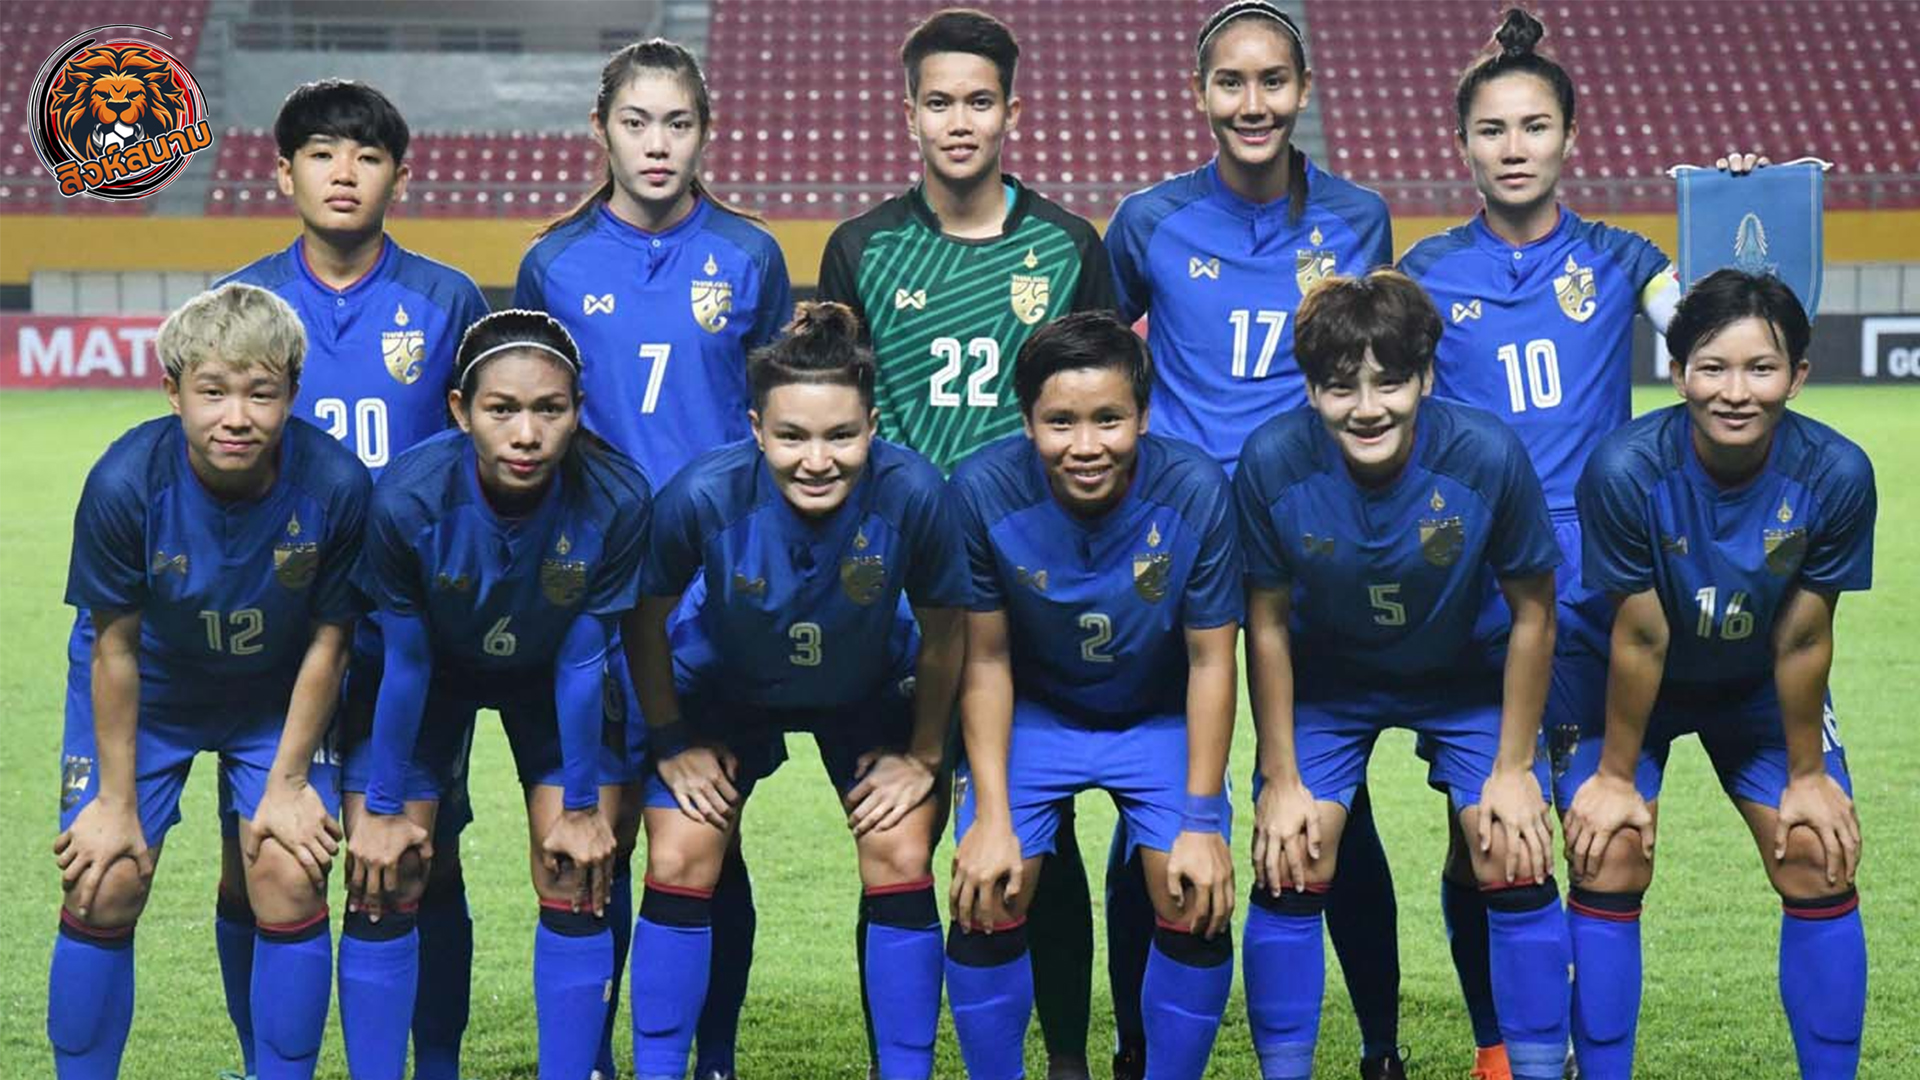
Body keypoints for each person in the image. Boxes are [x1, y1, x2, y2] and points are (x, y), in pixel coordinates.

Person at [1398, 11, 1766, 1076]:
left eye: (1534, 126)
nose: (1513, 147)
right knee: (1486, 837)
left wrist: (1746, 225)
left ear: (1570, 137)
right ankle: (1500, 1045)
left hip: (1607, 575)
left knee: (1602, 835)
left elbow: (1715, 329)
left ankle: (1581, 1049)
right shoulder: (1425, 271)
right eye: (1492, 129)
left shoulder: (1623, 258)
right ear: (1462, 145)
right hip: (1483, 579)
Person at [818, 13, 1119, 1074]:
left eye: (979, 101)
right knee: (892, 842)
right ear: (909, 113)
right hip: (896, 596)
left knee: (1038, 835)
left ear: (1011, 112)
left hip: (1027, 587)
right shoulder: (861, 247)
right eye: (939, 101)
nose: (959, 121)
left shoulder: (1067, 246)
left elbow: (1099, 412)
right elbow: (836, 417)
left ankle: (1068, 1057)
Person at [1102, 4, 1396, 1072]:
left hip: (1311, 544)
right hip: (1177, 544)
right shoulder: (1147, 220)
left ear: (1304, 89)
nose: (1253, 102)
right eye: (1231, 81)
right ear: (1201, 94)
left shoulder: (1360, 218)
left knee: (1326, 800)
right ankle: (1136, 1046)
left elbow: (1372, 370)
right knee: (1155, 804)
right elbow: (1103, 364)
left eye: (1273, 80)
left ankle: (1380, 1044)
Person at [513, 38, 793, 1080]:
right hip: (588, 600)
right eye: (637, 122)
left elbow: (780, 425)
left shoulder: (751, 256)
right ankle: (588, 1057)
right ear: (601, 130)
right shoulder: (552, 263)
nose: (658, 144)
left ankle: (708, 1057)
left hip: (714, 603)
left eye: (678, 123)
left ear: (706, 131)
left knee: (707, 835)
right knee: (598, 835)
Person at [217, 78, 488, 1080]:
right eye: (322, 153)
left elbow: (482, 456)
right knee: (257, 860)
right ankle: (266, 1061)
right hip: (280, 633)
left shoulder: (448, 301)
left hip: (412, 634)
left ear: (399, 177)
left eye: (367, 156)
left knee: (418, 858)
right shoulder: (244, 302)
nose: (344, 173)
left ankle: (434, 1063)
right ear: (282, 172)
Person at [1233, 271, 1569, 1080]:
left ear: (1425, 377)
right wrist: (1281, 779)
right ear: (1310, 389)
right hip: (1331, 684)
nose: (1367, 407)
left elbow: (1534, 612)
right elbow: (1265, 624)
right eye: (1340, 386)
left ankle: (1527, 1064)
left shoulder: (1486, 454)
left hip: (1463, 677)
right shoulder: (1271, 461)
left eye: (1389, 382)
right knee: (1291, 851)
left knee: (1512, 847)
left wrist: (1515, 768)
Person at [623, 302, 969, 1080]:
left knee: (900, 848)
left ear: (873, 426)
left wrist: (923, 755)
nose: (817, 460)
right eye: (792, 436)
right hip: (729, 683)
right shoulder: (703, 495)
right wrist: (671, 740)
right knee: (680, 853)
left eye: (841, 435)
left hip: (868, 682)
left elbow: (948, 631)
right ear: (756, 429)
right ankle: (680, 1068)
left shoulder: (915, 493)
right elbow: (643, 620)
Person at [48, 283, 371, 1080]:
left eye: (260, 392)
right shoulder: (125, 482)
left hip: (275, 695)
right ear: (173, 393)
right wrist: (114, 803)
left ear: (292, 392)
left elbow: (332, 641)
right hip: (151, 693)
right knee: (105, 880)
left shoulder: (336, 484)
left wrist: (287, 784)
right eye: (213, 391)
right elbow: (113, 649)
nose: (236, 416)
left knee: (288, 870)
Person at [1563, 270, 1872, 1080]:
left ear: (1797, 376)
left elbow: (1803, 636)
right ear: (1677, 373)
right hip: (1630, 679)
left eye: (1761, 368)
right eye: (1712, 367)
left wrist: (1807, 776)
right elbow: (1640, 636)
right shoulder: (1624, 469)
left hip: (1756, 684)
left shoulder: (1837, 473)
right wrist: (1616, 780)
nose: (1736, 392)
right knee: (1609, 849)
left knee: (1816, 851)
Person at [338, 310, 649, 1080]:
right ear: (459, 410)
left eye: (550, 409)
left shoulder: (617, 498)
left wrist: (581, 807)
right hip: (429, 672)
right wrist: (382, 809)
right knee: (388, 871)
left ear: (578, 410)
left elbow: (583, 659)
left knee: (576, 868)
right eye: (501, 409)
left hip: (550, 671)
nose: (527, 434)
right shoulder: (408, 499)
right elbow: (407, 662)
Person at [945, 312, 1240, 1080]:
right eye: (1060, 422)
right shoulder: (980, 491)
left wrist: (1201, 823)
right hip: (1035, 715)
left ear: (1143, 415)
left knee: (1193, 892)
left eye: (1108, 419)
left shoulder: (1196, 490)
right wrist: (992, 819)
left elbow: (1212, 660)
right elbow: (986, 658)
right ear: (1026, 422)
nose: (1085, 445)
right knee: (987, 889)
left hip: (1155, 715)